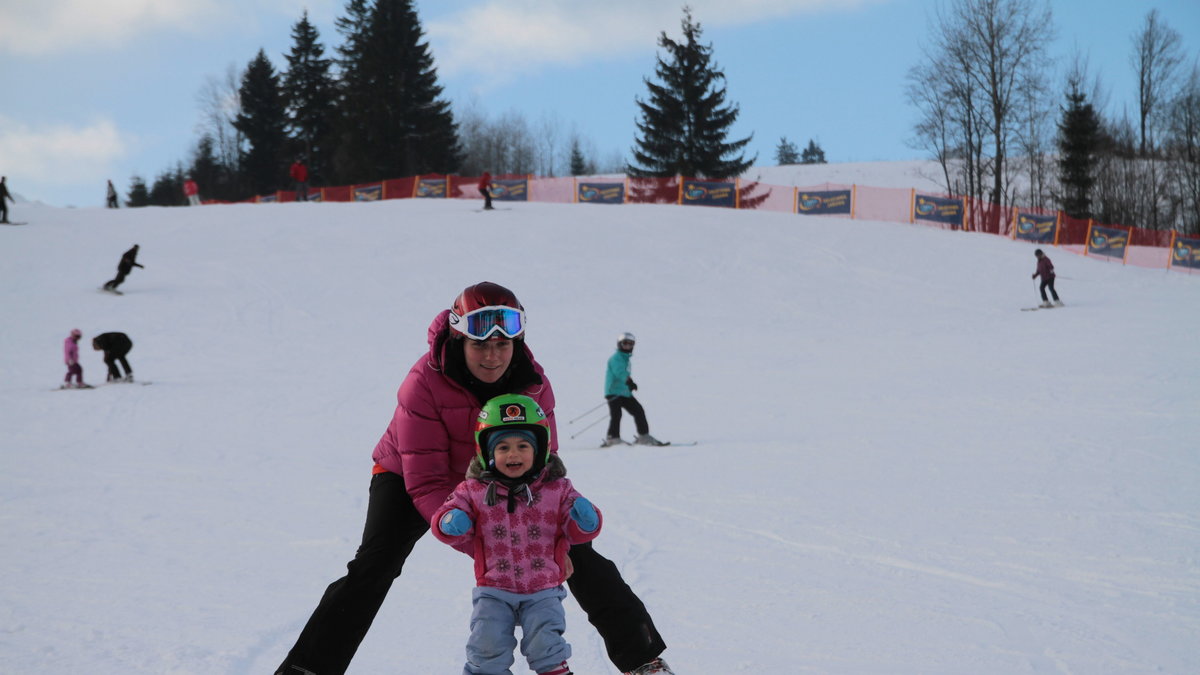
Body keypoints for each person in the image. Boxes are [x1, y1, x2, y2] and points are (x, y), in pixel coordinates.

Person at [275, 281, 673, 675]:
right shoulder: (423, 382)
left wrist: (552, 539)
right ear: (458, 339)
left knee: (577, 554)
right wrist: (492, 541)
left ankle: (643, 661)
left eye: (502, 344)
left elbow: (544, 463)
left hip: (499, 472)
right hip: (411, 474)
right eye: (480, 344)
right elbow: (426, 482)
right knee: (375, 564)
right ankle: (306, 669)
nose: (492, 356)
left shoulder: (534, 385)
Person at [432, 393, 602, 675]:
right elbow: (446, 518)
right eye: (503, 447)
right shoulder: (472, 491)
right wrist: (450, 522)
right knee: (486, 646)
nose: (513, 454)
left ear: (540, 450)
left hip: (543, 587)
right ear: (487, 453)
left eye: (523, 445)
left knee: (546, 645)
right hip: (494, 589)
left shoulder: (556, 489)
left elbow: (578, 532)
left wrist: (584, 519)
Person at [603, 332, 666, 447]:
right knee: (616, 414)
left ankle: (644, 436)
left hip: (624, 392)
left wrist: (629, 385)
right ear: (619, 344)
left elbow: (623, 374)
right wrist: (629, 382)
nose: (628, 346)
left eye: (630, 344)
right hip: (613, 392)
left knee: (638, 411)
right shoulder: (616, 358)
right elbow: (620, 372)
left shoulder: (625, 358)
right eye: (625, 343)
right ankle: (613, 438)